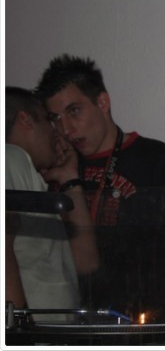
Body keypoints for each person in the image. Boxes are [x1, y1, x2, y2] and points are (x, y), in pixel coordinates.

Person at [34, 54, 165, 322]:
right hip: (74, 321)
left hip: (141, 323)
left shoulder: (153, 157)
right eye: (56, 118)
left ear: (102, 102)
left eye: (74, 111)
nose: (65, 129)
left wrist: (163, 310)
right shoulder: (59, 168)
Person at [5, 86, 98, 321]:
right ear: (25, 120)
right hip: (28, 333)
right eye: (49, 120)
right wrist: (17, 326)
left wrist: (70, 180)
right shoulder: (10, 158)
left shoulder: (26, 172)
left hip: (51, 333)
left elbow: (86, 263)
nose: (57, 132)